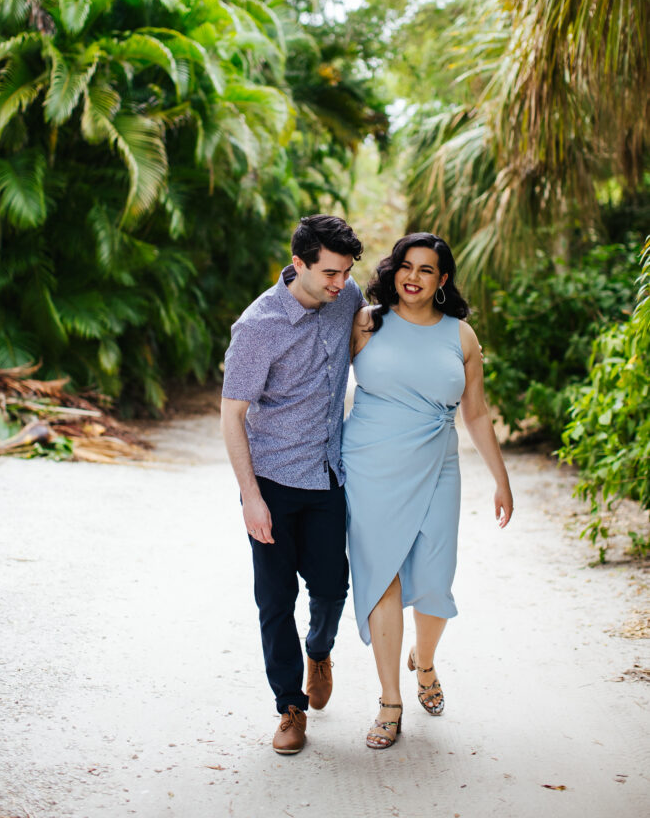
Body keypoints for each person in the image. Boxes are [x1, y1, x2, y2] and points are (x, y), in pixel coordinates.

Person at [341, 231, 514, 749]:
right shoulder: (367, 323)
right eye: (406, 266)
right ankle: (390, 700)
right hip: (370, 464)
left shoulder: (461, 336)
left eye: (426, 270)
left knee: (436, 580)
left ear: (442, 281)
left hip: (438, 465)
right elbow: (322, 385)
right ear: (394, 271)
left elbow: (477, 413)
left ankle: (427, 661)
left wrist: (501, 479)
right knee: (383, 575)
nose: (413, 277)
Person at [220, 215, 365, 755]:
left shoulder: (343, 297)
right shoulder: (257, 327)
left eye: (347, 272)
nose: (340, 283)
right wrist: (251, 498)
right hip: (273, 480)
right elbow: (231, 416)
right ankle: (289, 707)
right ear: (298, 263)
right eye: (330, 272)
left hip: (328, 474)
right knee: (275, 599)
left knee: (331, 587)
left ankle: (319, 650)